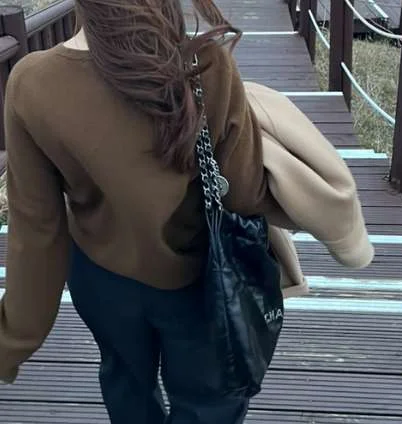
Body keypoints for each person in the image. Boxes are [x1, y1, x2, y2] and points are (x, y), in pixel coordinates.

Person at [0, 0, 374, 422]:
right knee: (209, 404)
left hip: (102, 281)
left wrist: (12, 341)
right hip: (202, 283)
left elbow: (36, 234)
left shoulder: (31, 83)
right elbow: (243, 195)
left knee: (126, 386)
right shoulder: (204, 64)